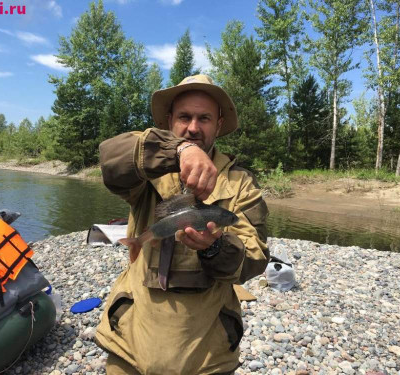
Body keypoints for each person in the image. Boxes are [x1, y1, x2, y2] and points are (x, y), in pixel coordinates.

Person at [95, 74, 270, 374]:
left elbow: (255, 258)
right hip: (132, 342)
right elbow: (110, 160)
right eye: (184, 117)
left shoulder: (241, 183)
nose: (193, 127)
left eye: (204, 118)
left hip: (206, 354)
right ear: (168, 121)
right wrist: (178, 150)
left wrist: (215, 248)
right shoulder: (146, 170)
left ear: (218, 123)